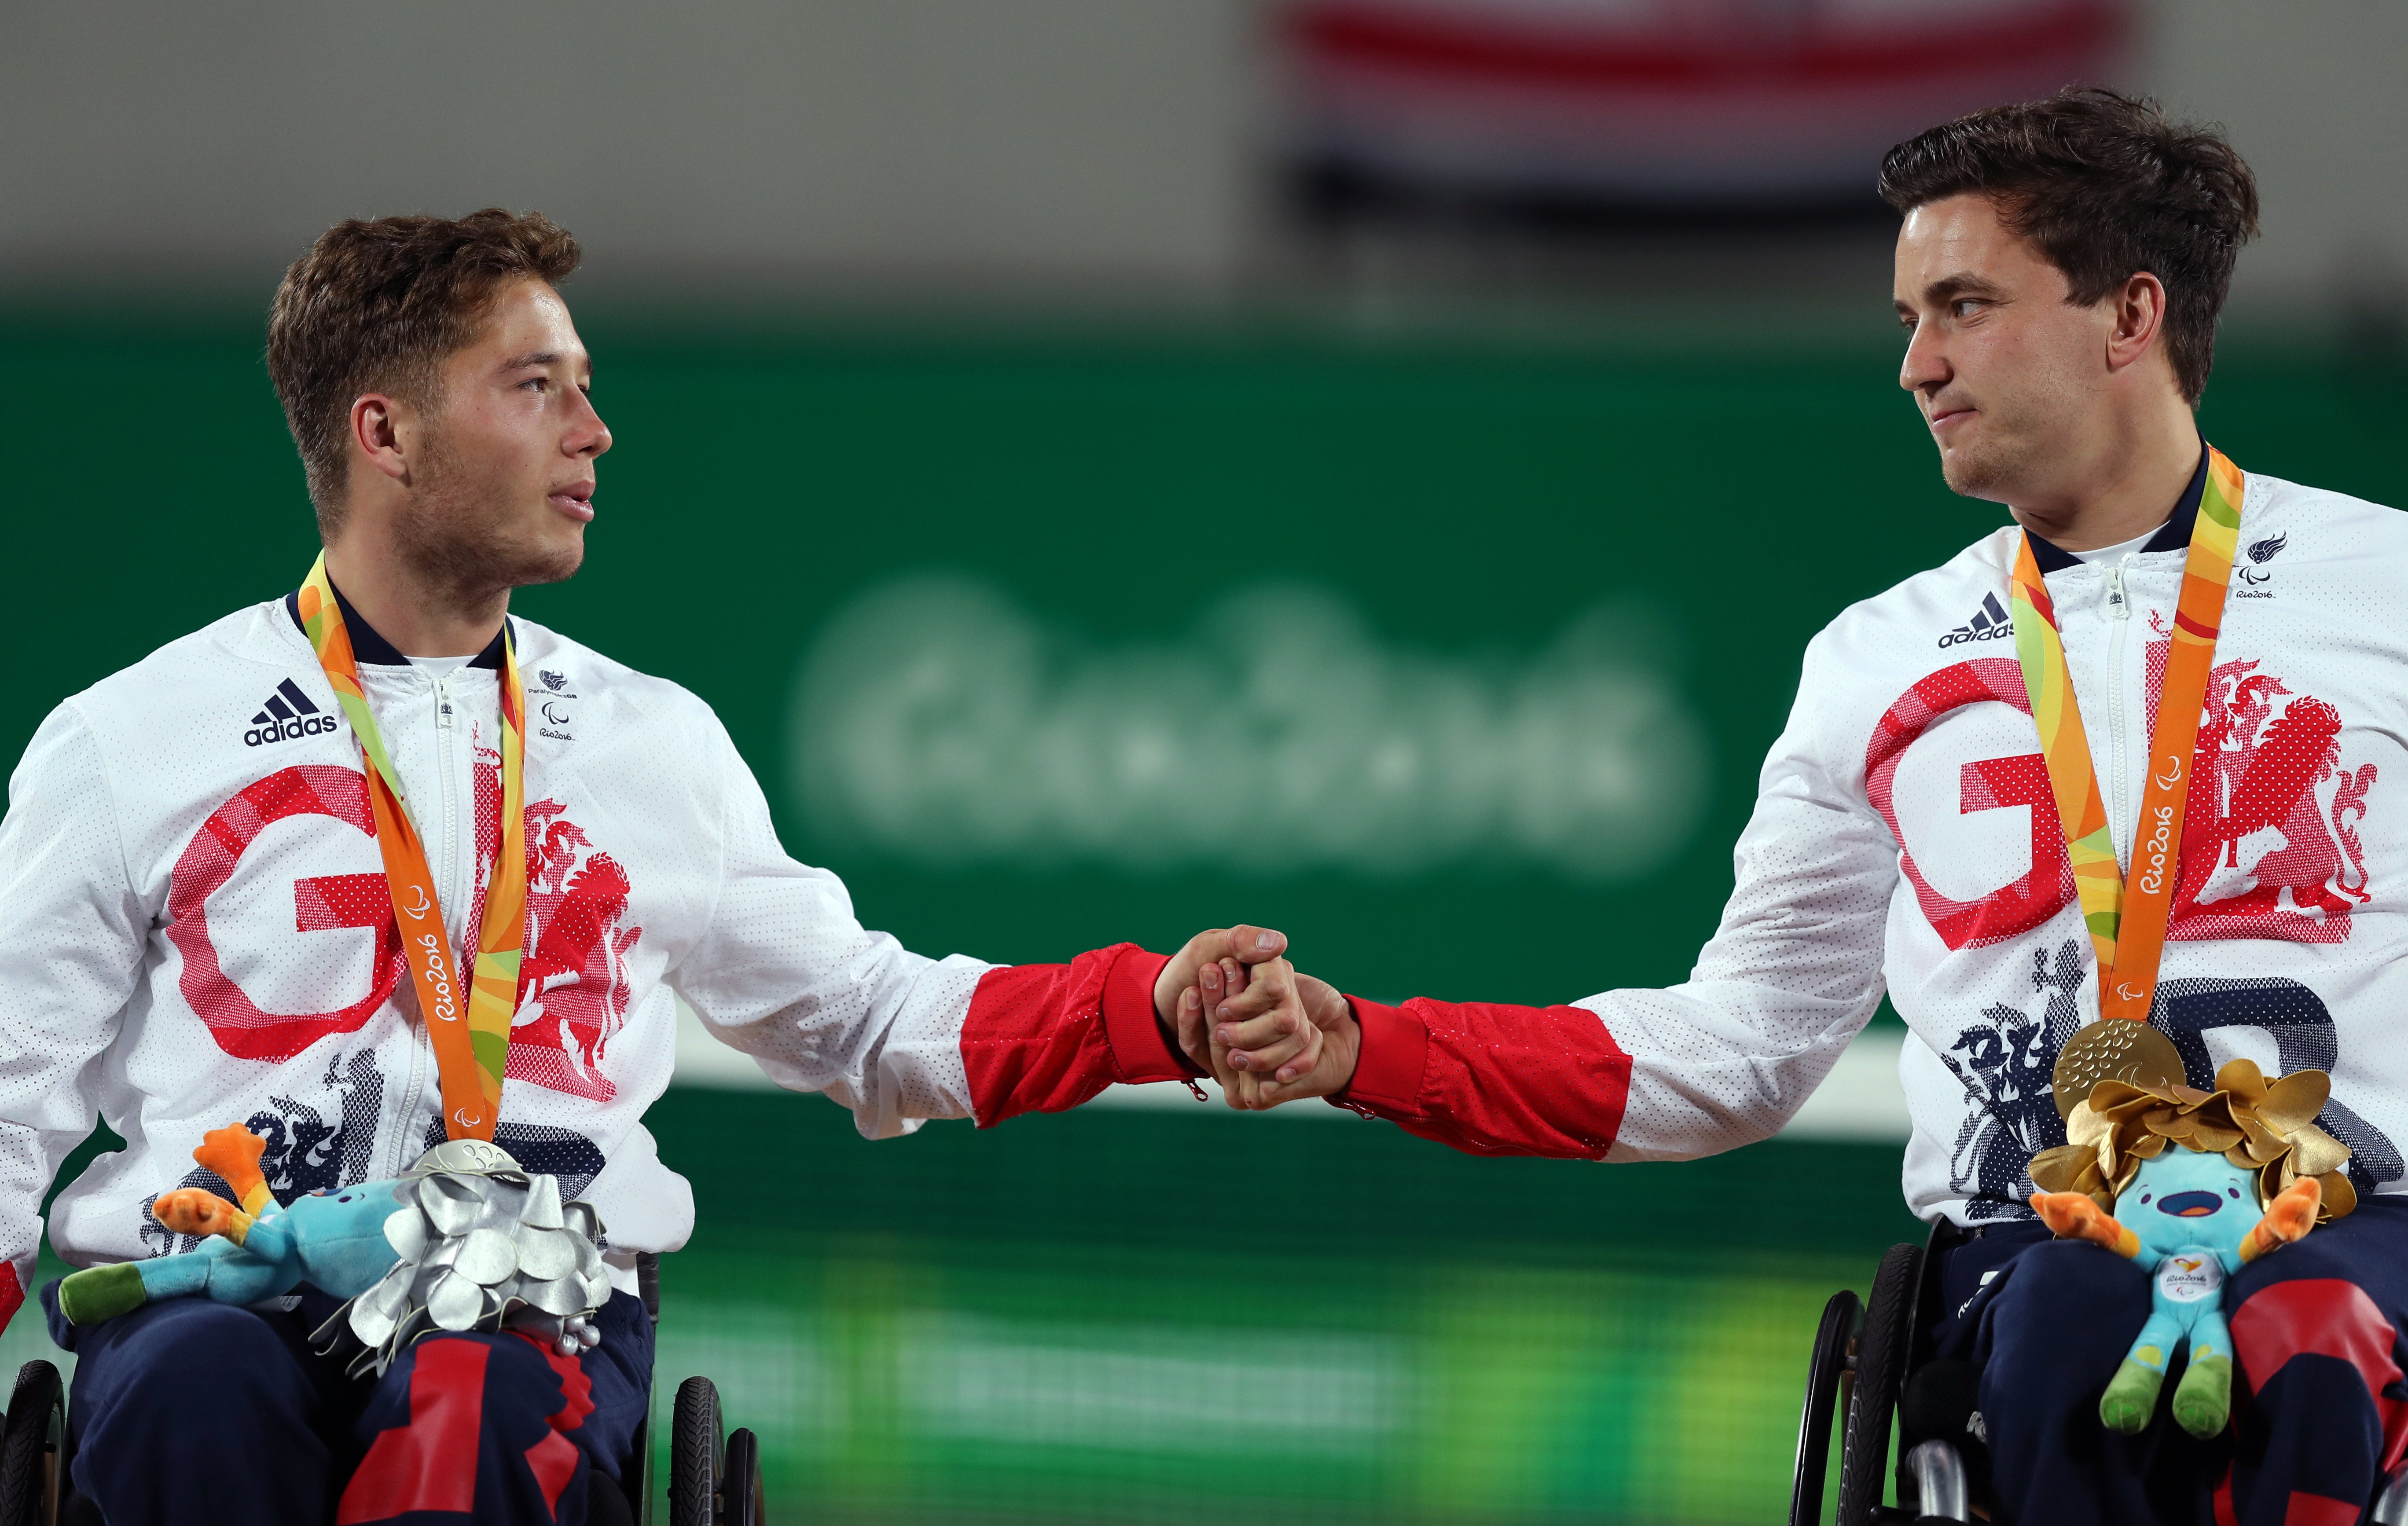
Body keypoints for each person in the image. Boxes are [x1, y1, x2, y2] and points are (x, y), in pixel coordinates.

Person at [1187, 87, 2408, 1526]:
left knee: (2309, 1333)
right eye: (1907, 317)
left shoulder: (2381, 582)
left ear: (2129, 316)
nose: (1916, 365)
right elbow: (1736, 1047)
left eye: (1962, 307)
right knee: (2074, 1320)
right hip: (2031, 1287)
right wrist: (1366, 1048)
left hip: (2358, 1266)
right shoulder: (1876, 657)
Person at [0, 210, 1290, 1526]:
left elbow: (869, 1016)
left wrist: (1145, 1011)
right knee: (193, 1394)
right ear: (382, 434)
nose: (593, 429)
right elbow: (7, 1088)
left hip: (531, 1318)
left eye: (588, 386)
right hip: (201, 1300)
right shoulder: (127, 742)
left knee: (474, 1403)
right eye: (535, 385)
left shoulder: (652, 744)